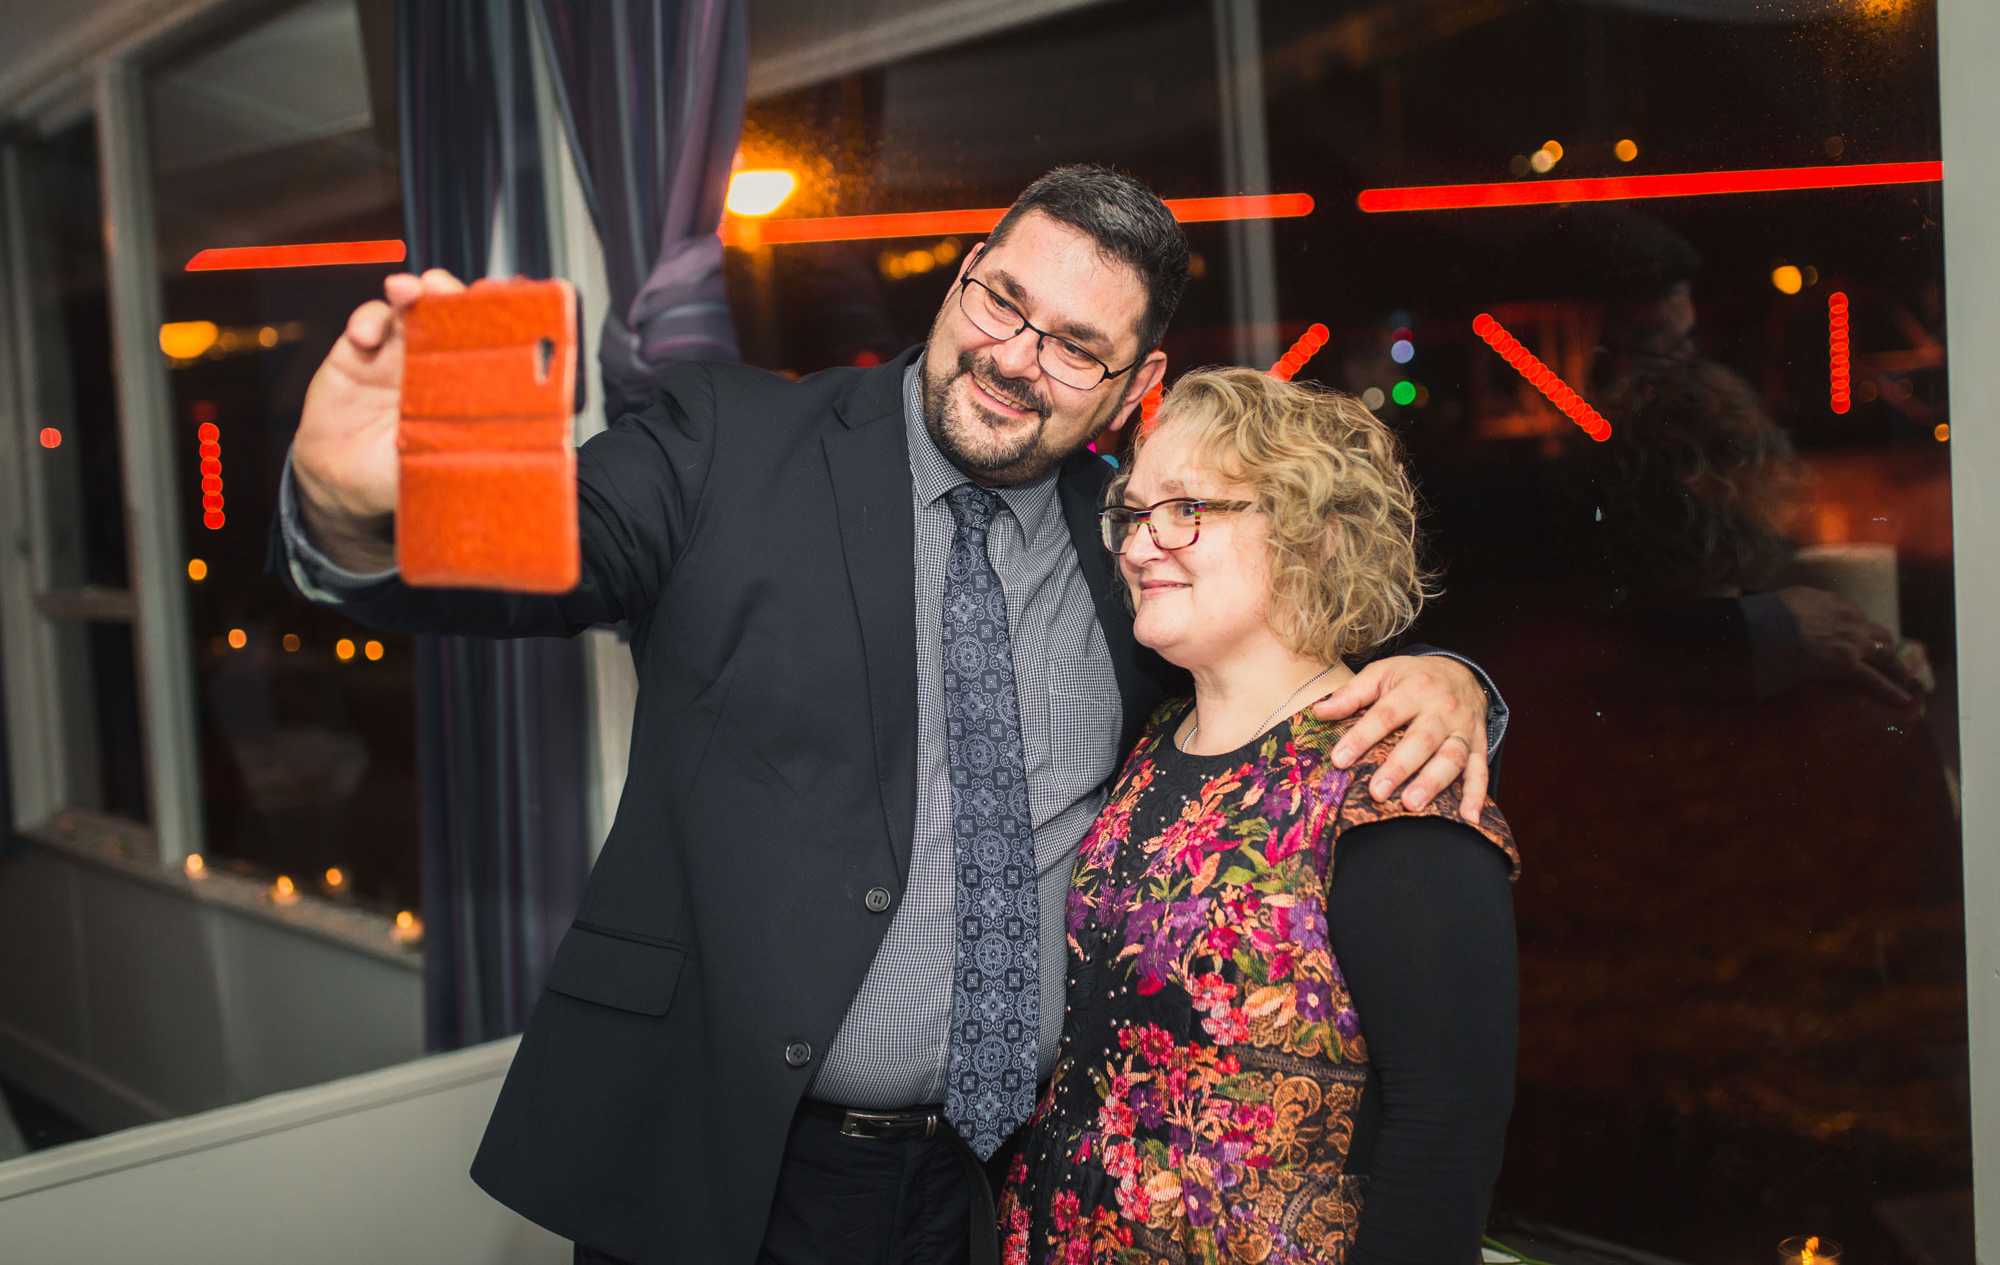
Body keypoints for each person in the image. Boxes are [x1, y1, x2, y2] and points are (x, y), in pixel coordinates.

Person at [277, 166, 1506, 1265]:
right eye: (999, 301)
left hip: (990, 1191)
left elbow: (1279, 656)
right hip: (725, 1169)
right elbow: (544, 549)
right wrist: (359, 510)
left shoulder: (1128, 540)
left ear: (1138, 386)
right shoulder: (731, 445)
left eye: (1076, 346)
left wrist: (1450, 681)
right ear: (962, 276)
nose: (1016, 355)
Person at [998, 368, 1518, 1264]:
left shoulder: (1390, 783)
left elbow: (1445, 1137)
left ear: (1311, 534)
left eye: (1186, 508)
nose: (1138, 545)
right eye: (1131, 514)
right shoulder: (1152, 740)